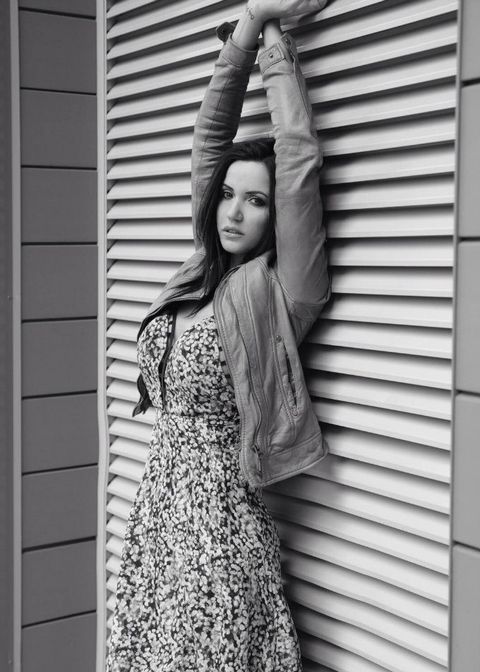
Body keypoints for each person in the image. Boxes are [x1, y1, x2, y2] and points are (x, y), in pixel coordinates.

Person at [105, 1, 331, 670]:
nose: (233, 211)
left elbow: (298, 158)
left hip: (219, 530)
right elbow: (210, 137)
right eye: (227, 194)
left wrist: (274, 43)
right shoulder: (200, 267)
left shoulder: (285, 291)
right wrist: (253, 20)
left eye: (256, 201)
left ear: (275, 215)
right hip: (160, 512)